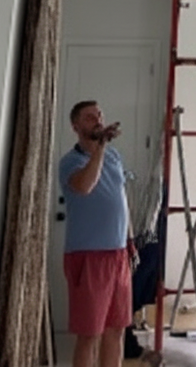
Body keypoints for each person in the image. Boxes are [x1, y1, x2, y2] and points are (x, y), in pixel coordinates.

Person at [59, 100, 136, 367]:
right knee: (90, 334)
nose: (98, 120)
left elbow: (120, 199)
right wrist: (100, 147)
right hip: (88, 257)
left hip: (118, 255)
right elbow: (86, 185)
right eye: (90, 117)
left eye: (100, 115)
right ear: (76, 126)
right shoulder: (69, 162)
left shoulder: (114, 157)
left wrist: (130, 240)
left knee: (116, 329)